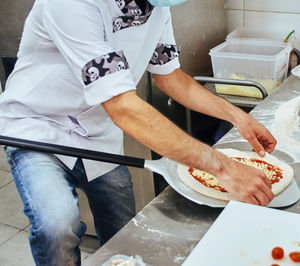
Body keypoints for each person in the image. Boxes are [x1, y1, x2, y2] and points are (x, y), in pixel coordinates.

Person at [0, 0, 277, 265]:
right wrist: (222, 167)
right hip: (39, 126)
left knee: (124, 231)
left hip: (99, 131)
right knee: (57, 226)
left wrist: (236, 115)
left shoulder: (154, 7)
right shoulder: (72, 3)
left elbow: (170, 76)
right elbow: (122, 106)